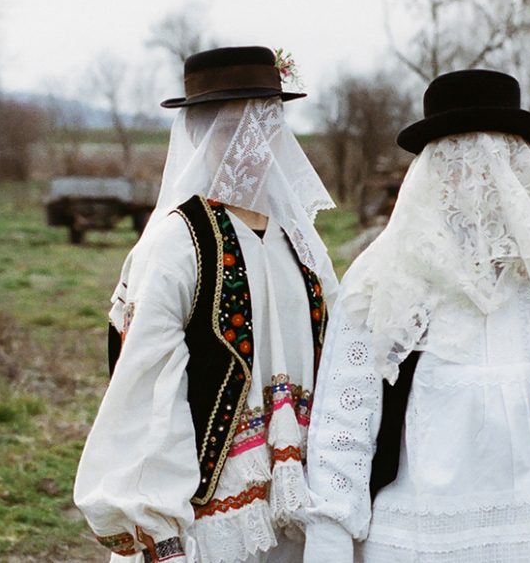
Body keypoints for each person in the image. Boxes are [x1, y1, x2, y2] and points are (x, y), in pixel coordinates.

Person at [301, 69, 530, 563]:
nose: (474, 182)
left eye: (491, 165)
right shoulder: (385, 279)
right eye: (456, 164)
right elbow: (345, 426)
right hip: (417, 543)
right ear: (435, 173)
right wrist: (330, 545)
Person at [74, 46, 339, 563]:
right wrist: (159, 523)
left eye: (261, 126)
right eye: (226, 129)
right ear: (197, 135)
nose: (248, 145)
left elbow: (343, 358)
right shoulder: (176, 243)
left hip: (304, 497)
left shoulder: (302, 243)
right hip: (213, 511)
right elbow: (147, 387)